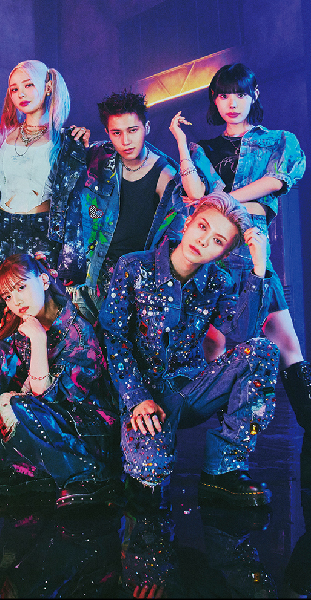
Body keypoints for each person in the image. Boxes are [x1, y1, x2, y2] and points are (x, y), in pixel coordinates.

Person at [169, 63, 309, 487]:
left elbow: (275, 183)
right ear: (214, 100)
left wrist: (222, 202)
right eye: (223, 95)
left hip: (252, 256)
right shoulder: (202, 149)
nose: (232, 103)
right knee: (213, 347)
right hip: (210, 258)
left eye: (240, 94)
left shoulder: (279, 141)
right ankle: (222, 457)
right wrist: (182, 145)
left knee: (286, 344)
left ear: (254, 95)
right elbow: (193, 196)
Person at [100, 192, 279, 510]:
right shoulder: (133, 266)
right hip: (141, 396)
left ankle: (223, 470)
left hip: (191, 391)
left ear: (224, 252)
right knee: (149, 488)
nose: (204, 240)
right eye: (202, 227)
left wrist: (259, 268)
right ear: (189, 222)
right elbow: (114, 339)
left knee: (261, 352)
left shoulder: (219, 281)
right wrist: (137, 398)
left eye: (217, 240)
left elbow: (243, 334)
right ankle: (138, 463)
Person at [0, 253, 119, 508]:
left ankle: (90, 473)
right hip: (52, 420)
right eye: (7, 296)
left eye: (21, 287)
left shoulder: (78, 330)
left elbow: (49, 396)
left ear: (44, 281)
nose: (16, 301)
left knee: (16, 404)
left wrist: (39, 341)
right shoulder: (20, 323)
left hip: (87, 429)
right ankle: (33, 471)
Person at [0, 60, 89, 331]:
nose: (20, 94)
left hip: (41, 233)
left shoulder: (66, 140)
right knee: (2, 320)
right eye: (14, 89)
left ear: (48, 87)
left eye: (28, 85)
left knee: (43, 318)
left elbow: (81, 202)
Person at [70, 91, 184, 324]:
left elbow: (175, 233)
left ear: (146, 128)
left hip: (136, 277)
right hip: (95, 270)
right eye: (117, 133)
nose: (125, 141)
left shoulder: (165, 174)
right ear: (107, 133)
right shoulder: (99, 158)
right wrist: (77, 148)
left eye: (132, 130)